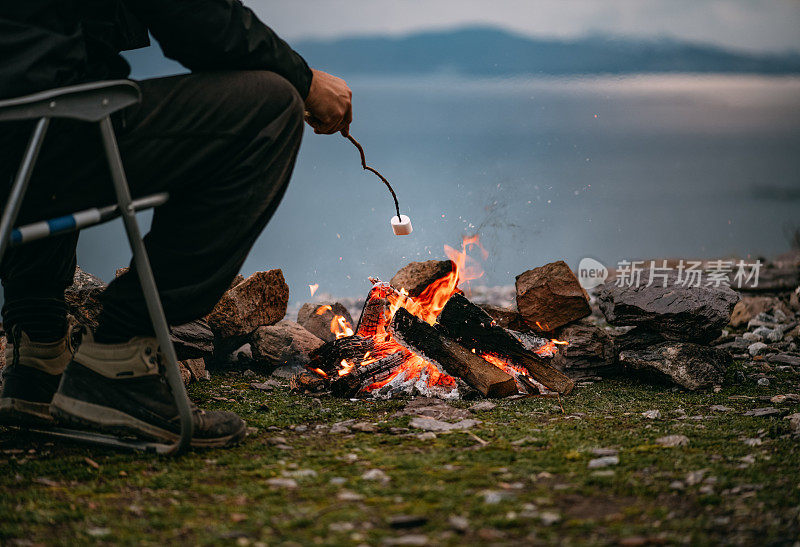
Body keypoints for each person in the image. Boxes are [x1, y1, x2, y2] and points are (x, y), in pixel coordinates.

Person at [0, 1, 352, 447]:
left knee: (61, 93)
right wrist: (304, 81)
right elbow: (197, 20)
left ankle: (37, 356)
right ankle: (119, 359)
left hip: (18, 137)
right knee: (269, 108)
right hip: (33, 138)